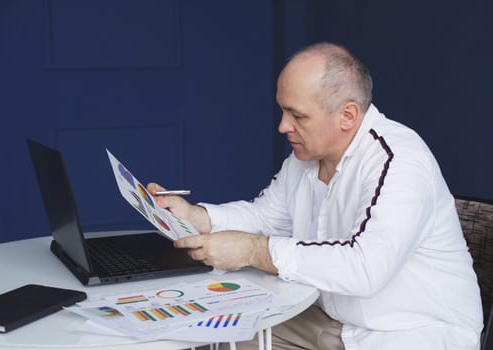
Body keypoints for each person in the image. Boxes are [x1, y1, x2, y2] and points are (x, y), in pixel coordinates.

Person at [147, 42, 483, 350]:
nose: (282, 126)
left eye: (298, 115)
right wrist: (197, 217)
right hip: (327, 317)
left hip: (410, 333)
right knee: (213, 337)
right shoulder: (304, 159)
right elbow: (266, 216)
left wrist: (252, 249)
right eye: (282, 111)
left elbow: (366, 268)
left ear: (347, 116)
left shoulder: (400, 161)